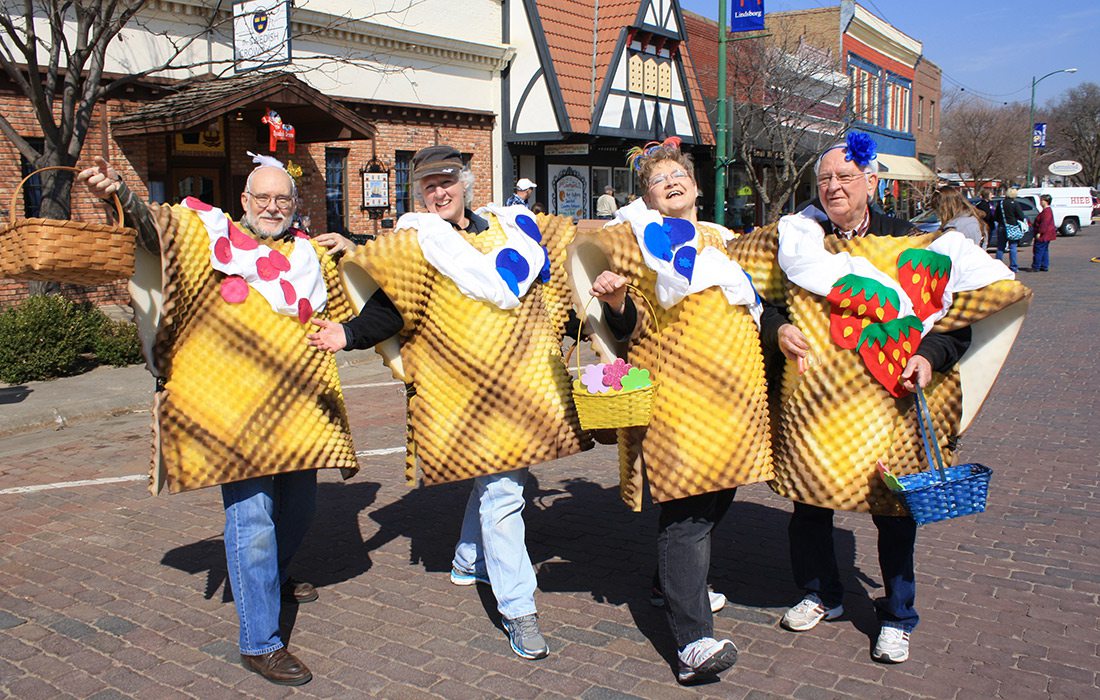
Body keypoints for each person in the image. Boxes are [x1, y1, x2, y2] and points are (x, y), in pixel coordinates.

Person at [735, 133, 1028, 666]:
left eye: (845, 177)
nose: (832, 187)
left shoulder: (915, 244)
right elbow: (762, 301)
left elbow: (954, 319)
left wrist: (930, 356)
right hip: (817, 403)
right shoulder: (798, 240)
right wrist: (777, 329)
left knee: (895, 511)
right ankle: (820, 593)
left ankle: (897, 616)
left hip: (893, 405)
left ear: (872, 182)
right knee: (810, 503)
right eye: (824, 179)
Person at [78, 154, 361, 686]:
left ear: (295, 206)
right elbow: (155, 230)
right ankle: (260, 641)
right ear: (245, 203)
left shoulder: (309, 256)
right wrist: (119, 193)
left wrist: (358, 249)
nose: (272, 206)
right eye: (262, 198)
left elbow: (366, 301)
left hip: (300, 411)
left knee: (299, 511)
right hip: (235, 412)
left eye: (282, 199)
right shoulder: (212, 238)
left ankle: (269, 579)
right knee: (252, 523)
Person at [307, 145, 589, 661]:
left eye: (446, 182)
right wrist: (346, 334)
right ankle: (519, 609)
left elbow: (550, 291)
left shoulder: (511, 231)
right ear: (419, 192)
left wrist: (592, 316)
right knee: (504, 491)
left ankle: (466, 557)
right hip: (464, 393)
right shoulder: (418, 244)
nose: (439, 192)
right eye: (428, 185)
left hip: (522, 387)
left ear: (466, 183)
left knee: (505, 479)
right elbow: (393, 308)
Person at [577, 137, 772, 684]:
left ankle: (670, 584)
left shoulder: (726, 239)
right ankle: (693, 644)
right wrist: (616, 301)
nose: (671, 181)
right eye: (658, 179)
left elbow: (760, 301)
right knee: (686, 514)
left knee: (719, 495)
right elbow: (629, 326)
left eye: (677, 173)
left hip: (732, 393)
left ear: (695, 184)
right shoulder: (635, 244)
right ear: (649, 196)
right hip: (677, 395)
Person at [998, 188, 1026, 272]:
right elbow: (1021, 215)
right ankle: (1013, 266)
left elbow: (996, 216)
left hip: (1002, 226)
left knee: (1000, 248)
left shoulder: (1001, 203)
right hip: (1012, 227)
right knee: (1013, 247)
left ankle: (998, 266)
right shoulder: (1015, 204)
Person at [1030, 194, 1055, 271]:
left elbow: (1044, 223)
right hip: (1047, 234)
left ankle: (1036, 266)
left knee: (1038, 250)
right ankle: (1044, 265)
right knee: (1044, 250)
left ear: (1046, 202)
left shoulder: (1047, 212)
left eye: (1042, 200)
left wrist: (1040, 232)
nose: (1040, 202)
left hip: (1044, 235)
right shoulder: (1046, 211)